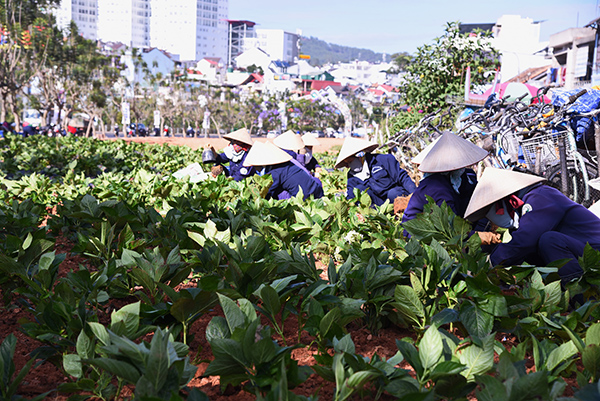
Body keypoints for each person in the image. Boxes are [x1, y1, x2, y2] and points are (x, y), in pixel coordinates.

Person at [464, 168, 600, 286]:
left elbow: (525, 238)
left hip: (595, 251)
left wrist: (490, 264)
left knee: (549, 240)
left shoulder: (541, 196)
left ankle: (582, 295)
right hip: (580, 250)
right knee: (532, 251)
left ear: (503, 202)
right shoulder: (527, 204)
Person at [402, 132, 488, 223]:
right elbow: (451, 225)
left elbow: (471, 194)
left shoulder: (460, 177)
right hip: (419, 232)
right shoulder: (437, 188)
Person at [335, 137, 416, 206]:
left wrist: (415, 195)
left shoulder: (383, 160)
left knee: (393, 193)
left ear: (360, 156)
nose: (347, 166)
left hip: (395, 199)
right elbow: (351, 195)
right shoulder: (352, 176)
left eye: (349, 162)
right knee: (359, 190)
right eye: (346, 163)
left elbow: (403, 178)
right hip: (377, 206)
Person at [243, 141, 324, 200]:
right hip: (317, 191)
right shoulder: (285, 164)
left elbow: (267, 192)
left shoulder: (275, 172)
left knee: (277, 193)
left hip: (304, 198)